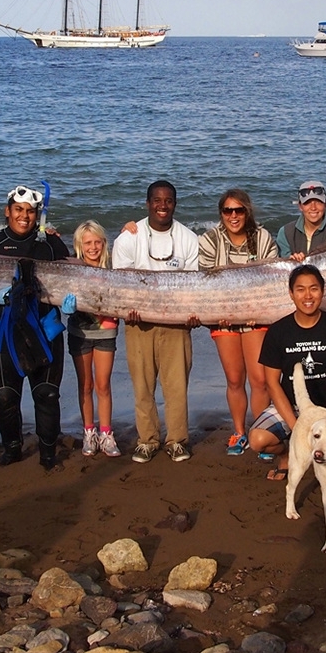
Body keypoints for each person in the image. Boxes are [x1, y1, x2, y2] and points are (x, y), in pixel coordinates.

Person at [0, 184, 69, 470]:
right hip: (0, 330)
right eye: (18, 210)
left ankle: (49, 453)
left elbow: (71, 282)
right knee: (4, 396)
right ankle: (12, 449)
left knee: (46, 394)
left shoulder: (51, 244)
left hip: (44, 328)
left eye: (30, 211)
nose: (25, 216)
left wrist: (69, 302)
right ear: (7, 211)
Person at [248, 264, 326, 480]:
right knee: (258, 440)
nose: (308, 295)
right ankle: (286, 456)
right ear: (291, 293)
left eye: (314, 288)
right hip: (293, 406)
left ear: (322, 292)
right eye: (300, 289)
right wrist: (299, 429)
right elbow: (272, 384)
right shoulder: (277, 331)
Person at [112, 180, 200, 463]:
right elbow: (120, 284)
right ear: (148, 203)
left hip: (177, 325)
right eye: (157, 200)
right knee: (143, 385)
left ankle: (177, 440)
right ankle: (147, 440)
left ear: (175, 203)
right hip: (138, 323)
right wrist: (129, 308)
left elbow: (194, 285)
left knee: (176, 387)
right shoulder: (128, 238)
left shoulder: (188, 238)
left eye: (169, 200)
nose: (163, 206)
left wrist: (192, 314)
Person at [198, 189, 279, 455]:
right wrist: (218, 312)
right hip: (223, 318)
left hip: (256, 316)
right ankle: (239, 433)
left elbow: (271, 279)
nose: (234, 216)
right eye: (228, 211)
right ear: (221, 214)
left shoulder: (263, 238)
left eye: (239, 210)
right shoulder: (210, 240)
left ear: (247, 211)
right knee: (234, 379)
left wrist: (257, 310)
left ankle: (261, 432)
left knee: (260, 380)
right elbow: (205, 283)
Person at [69, 220, 121, 458]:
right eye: (87, 243)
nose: (92, 247)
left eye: (97, 242)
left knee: (103, 385)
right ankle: (89, 431)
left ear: (104, 243)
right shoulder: (72, 268)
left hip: (106, 332)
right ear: (79, 245)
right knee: (85, 385)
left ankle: (106, 433)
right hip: (79, 333)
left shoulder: (112, 268)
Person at [276, 181, 326, 260]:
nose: (313, 208)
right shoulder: (285, 233)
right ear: (300, 206)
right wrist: (290, 260)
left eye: (318, 202)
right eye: (307, 203)